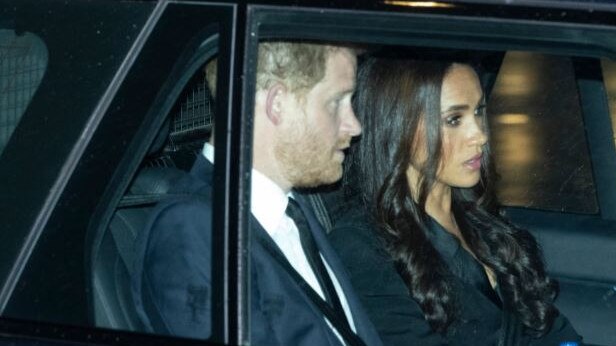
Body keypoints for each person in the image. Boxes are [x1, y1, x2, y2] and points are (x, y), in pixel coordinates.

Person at [131, 42, 383, 346]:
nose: (354, 125)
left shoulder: (292, 210)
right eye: (336, 102)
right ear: (277, 104)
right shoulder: (191, 232)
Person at [329, 55, 583, 345]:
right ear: (397, 126)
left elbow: (551, 329)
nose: (480, 135)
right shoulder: (362, 247)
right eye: (454, 119)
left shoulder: (480, 218)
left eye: (478, 112)